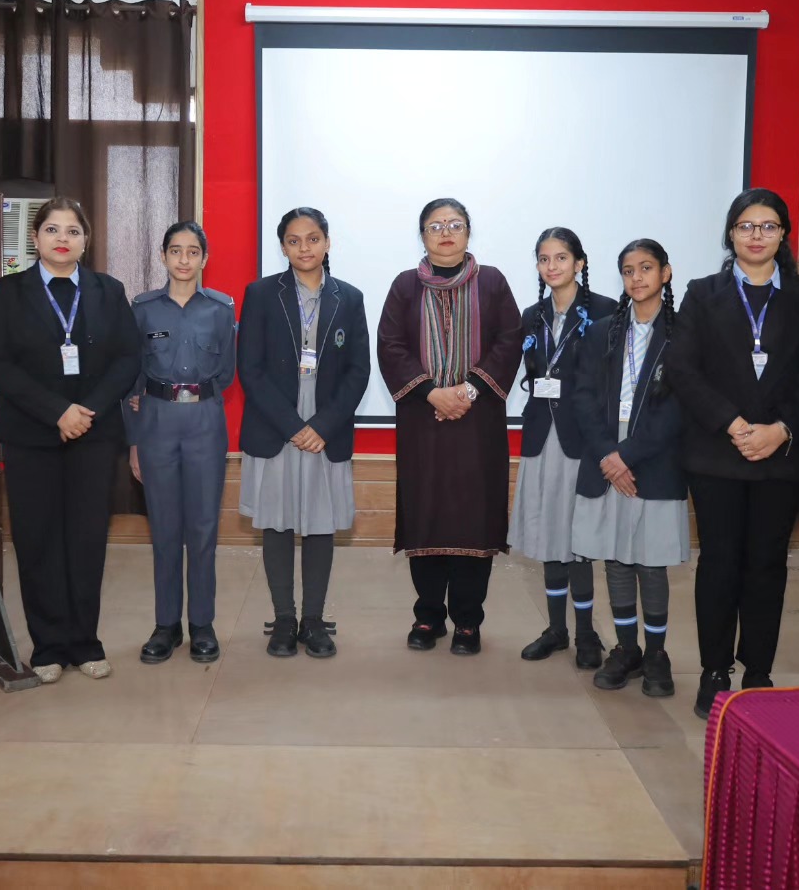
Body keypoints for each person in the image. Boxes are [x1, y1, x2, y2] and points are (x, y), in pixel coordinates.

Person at [666, 189, 799, 719]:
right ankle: (714, 670)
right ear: (731, 234)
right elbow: (683, 369)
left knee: (767, 564)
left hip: (782, 453)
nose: (757, 235)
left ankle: (758, 670)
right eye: (746, 226)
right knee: (719, 563)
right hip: (717, 451)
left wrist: (781, 430)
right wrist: (735, 425)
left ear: (783, 235)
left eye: (768, 226)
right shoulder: (703, 293)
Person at [0, 197, 141, 684]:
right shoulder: (7, 292)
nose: (62, 238)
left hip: (93, 435)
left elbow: (127, 358)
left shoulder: (109, 290)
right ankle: (48, 646)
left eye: (72, 230)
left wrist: (85, 412)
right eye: (52, 229)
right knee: (37, 538)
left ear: (85, 240)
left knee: (87, 539)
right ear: (35, 238)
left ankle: (85, 642)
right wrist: (57, 412)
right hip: (31, 435)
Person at [377, 199, 522, 656]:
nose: (445, 232)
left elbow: (509, 341)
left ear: (468, 232)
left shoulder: (493, 282)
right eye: (435, 225)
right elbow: (390, 345)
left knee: (473, 521)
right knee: (427, 517)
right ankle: (428, 616)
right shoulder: (405, 286)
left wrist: (468, 391)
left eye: (455, 224)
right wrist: (431, 393)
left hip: (478, 425)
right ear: (422, 235)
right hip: (423, 422)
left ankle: (467, 621)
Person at [238, 207, 370, 658]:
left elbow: (358, 371)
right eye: (293, 241)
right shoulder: (260, 294)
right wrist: (295, 427)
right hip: (277, 424)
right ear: (283, 247)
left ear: (327, 242)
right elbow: (250, 369)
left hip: (326, 427)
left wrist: (322, 427)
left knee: (319, 524)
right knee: (276, 524)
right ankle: (284, 619)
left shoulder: (349, 297)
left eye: (313, 239)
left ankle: (313, 621)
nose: (304, 248)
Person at [570, 239, 688, 696]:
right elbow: (582, 396)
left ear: (665, 273)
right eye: (628, 270)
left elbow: (678, 408)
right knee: (616, 559)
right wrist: (608, 455)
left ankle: (656, 654)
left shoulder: (682, 333)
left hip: (653, 461)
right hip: (606, 458)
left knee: (651, 563)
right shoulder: (603, 331)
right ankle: (626, 649)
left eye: (646, 268)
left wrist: (628, 456)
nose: (637, 278)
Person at [128, 222, 237, 665]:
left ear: (204, 259)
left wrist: (198, 398)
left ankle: (202, 624)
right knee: (165, 529)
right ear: (163, 256)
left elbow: (226, 373)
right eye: (176, 250)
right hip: (156, 421)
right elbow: (131, 378)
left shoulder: (221, 308)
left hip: (205, 420)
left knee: (204, 528)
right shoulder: (143, 308)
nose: (184, 259)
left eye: (193, 251)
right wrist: (135, 441)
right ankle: (166, 625)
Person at [510, 227, 617, 669]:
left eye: (561, 258)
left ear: (580, 263)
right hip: (541, 437)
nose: (552, 266)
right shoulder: (531, 315)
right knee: (549, 536)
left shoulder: (607, 311)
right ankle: (556, 629)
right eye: (544, 259)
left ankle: (587, 633)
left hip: (583, 440)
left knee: (578, 539)